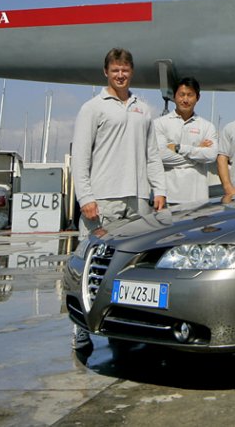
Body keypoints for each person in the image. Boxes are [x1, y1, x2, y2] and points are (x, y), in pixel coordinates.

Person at [70, 47, 167, 352]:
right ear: (106, 73)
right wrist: (85, 196)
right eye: (115, 70)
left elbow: (152, 154)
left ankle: (121, 325)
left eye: (125, 69)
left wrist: (159, 189)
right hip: (102, 198)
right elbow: (80, 157)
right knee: (89, 264)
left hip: (137, 199)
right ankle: (81, 328)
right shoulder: (92, 108)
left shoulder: (143, 109)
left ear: (132, 72)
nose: (121, 75)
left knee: (130, 267)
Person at [152, 76, 218, 206]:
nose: (185, 100)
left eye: (190, 95)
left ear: (197, 98)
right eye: (182, 95)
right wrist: (197, 154)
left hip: (198, 198)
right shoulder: (159, 123)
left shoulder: (207, 126)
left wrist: (179, 148)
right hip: (169, 197)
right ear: (175, 96)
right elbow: (159, 155)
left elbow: (211, 155)